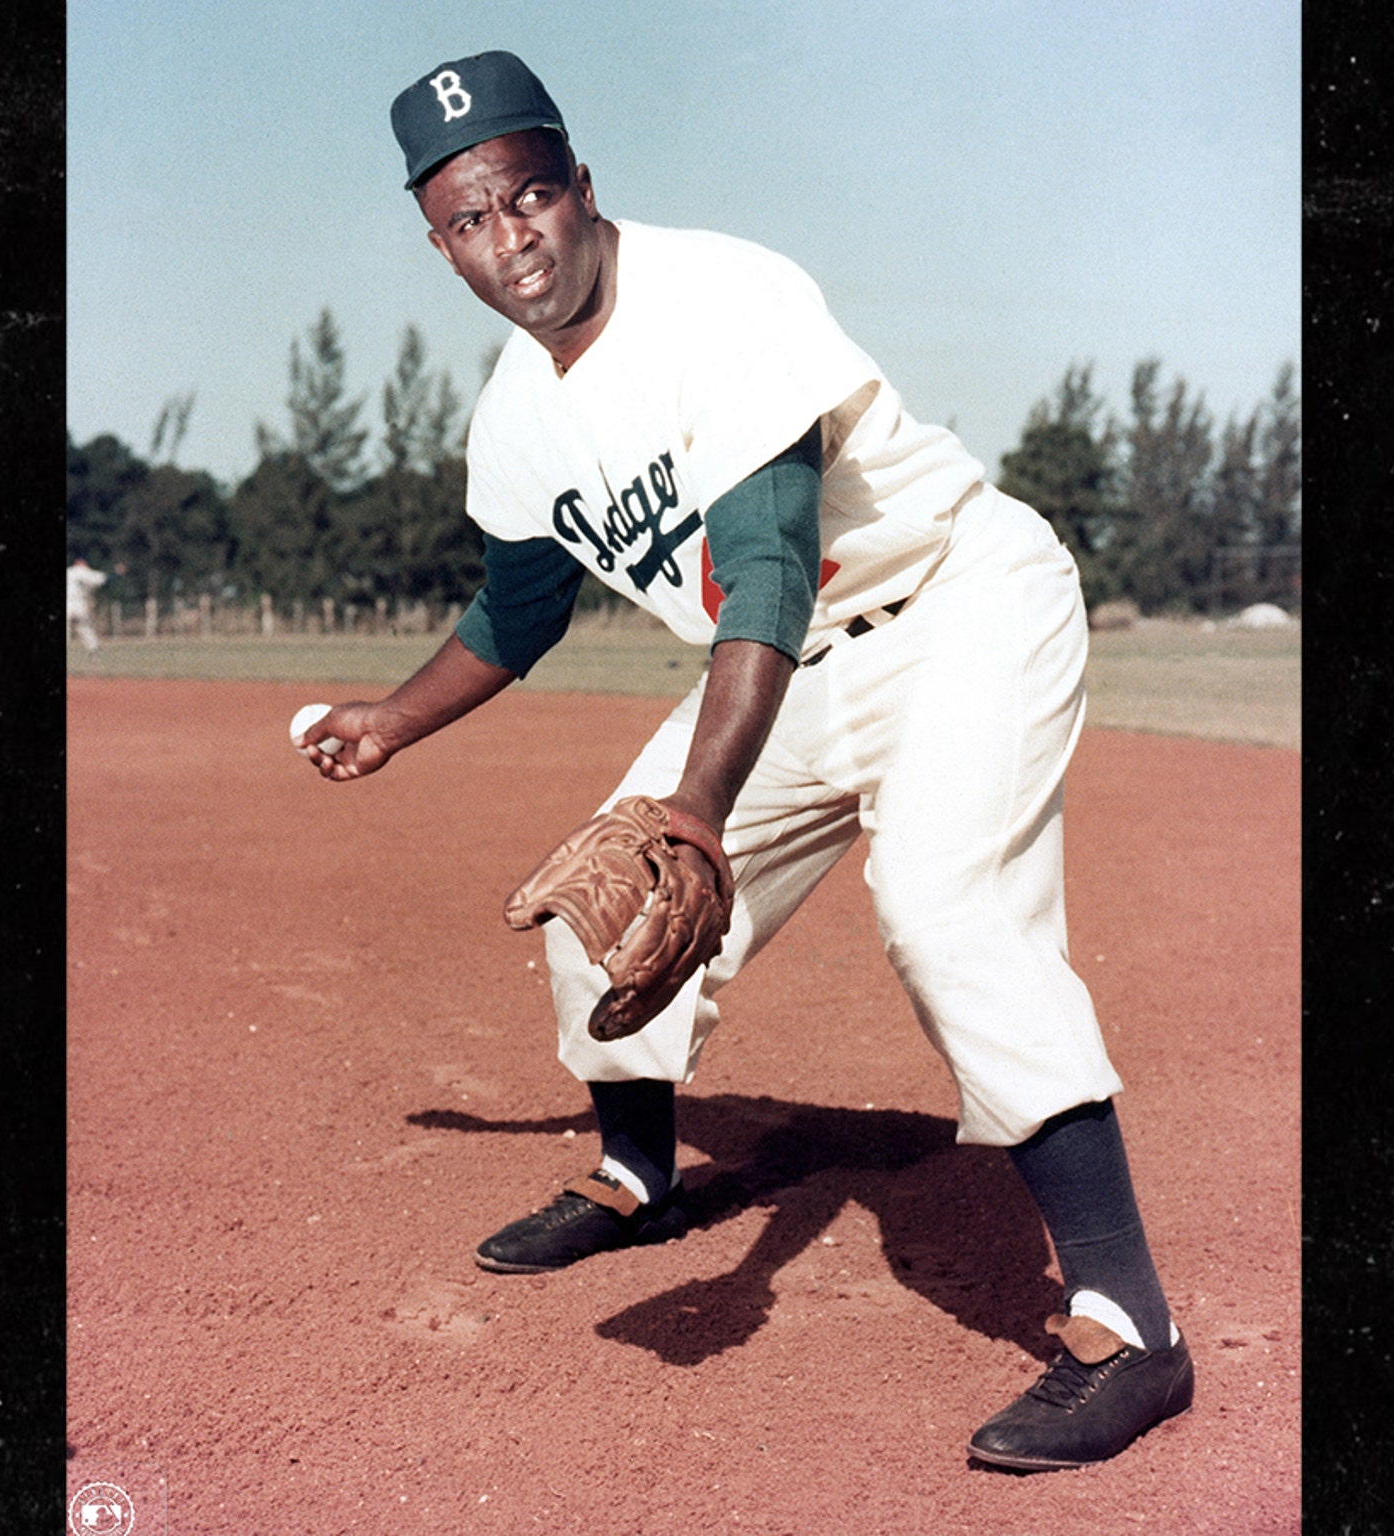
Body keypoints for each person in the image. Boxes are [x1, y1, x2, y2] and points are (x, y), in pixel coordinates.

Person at [296, 50, 1192, 1471]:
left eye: (530, 196)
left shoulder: (718, 295)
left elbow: (768, 563)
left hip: (956, 604)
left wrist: (699, 809)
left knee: (948, 914)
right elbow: (518, 611)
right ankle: (638, 1175)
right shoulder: (514, 423)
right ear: (439, 243)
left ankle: (1128, 1329)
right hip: (797, 668)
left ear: (582, 188)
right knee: (606, 917)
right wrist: (391, 719)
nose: (509, 238)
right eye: (470, 219)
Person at [66, 556, 108, 652]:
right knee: (84, 626)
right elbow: (102, 579)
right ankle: (93, 648)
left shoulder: (69, 571)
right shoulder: (86, 572)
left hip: (68, 603)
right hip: (79, 603)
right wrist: (117, 574)